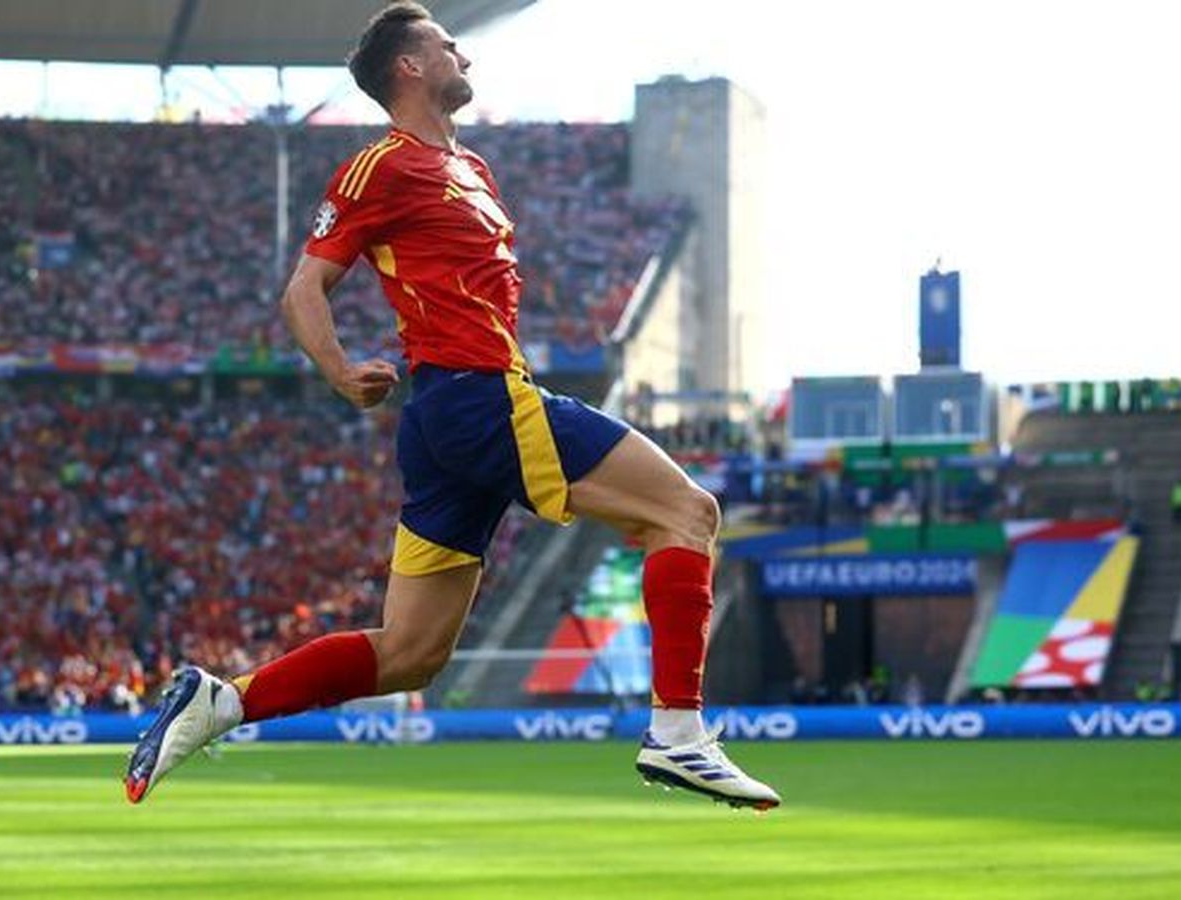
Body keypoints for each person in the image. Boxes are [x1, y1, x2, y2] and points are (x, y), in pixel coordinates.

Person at [125, 1, 779, 811]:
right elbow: (304, 289)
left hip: (454, 417)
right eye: (442, 43)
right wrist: (335, 369)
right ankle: (679, 732)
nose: (459, 50)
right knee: (686, 513)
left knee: (409, 655)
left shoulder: (472, 169)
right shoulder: (382, 165)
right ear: (408, 67)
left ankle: (221, 702)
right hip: (477, 399)